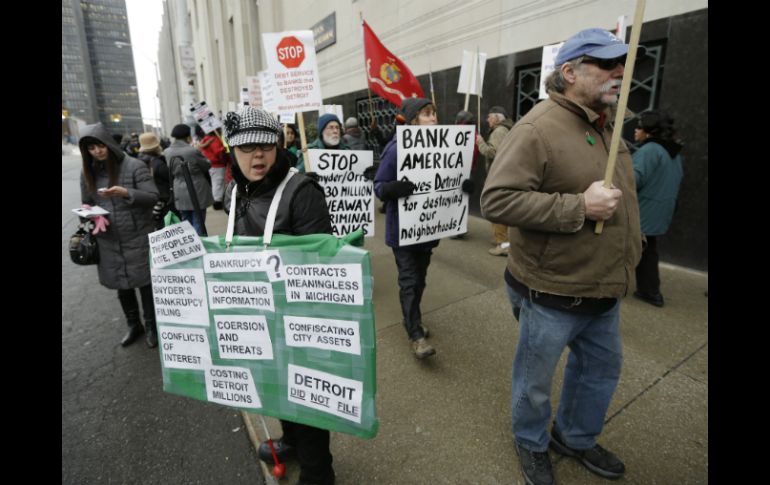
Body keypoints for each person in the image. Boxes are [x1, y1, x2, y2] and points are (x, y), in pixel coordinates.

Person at [480, 28, 642, 485]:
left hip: (603, 287)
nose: (618, 72)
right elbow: (497, 200)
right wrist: (578, 207)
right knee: (534, 383)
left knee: (598, 371)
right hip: (550, 291)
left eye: (622, 64)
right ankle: (530, 442)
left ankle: (574, 436)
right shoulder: (537, 128)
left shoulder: (608, 121)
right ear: (569, 72)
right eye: (606, 63)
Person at [222, 106, 335, 485]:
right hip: (256, 310)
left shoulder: (302, 191)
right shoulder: (234, 191)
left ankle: (320, 470)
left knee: (305, 392)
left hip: (298, 314)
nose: (257, 155)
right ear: (232, 151)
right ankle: (291, 441)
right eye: (247, 147)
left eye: (266, 146)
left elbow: (320, 267)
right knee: (272, 383)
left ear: (279, 144)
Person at [373, 97, 474, 359]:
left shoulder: (446, 147)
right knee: (409, 281)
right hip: (403, 232)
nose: (433, 118)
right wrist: (391, 189)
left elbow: (453, 180)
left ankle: (412, 318)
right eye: (427, 114)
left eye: (434, 113)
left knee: (420, 281)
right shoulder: (396, 149)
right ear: (413, 119)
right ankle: (415, 334)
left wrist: (463, 188)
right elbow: (379, 185)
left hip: (428, 231)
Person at [78, 123, 160, 348]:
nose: (97, 151)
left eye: (100, 146)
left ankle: (152, 326)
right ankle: (134, 325)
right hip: (108, 238)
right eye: (91, 149)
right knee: (121, 285)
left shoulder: (134, 166)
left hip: (137, 235)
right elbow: (87, 202)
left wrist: (127, 193)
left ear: (108, 143)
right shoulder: (88, 172)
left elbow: (153, 196)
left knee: (145, 284)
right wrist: (88, 215)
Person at [632, 110, 683, 307]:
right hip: (659, 211)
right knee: (648, 252)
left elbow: (633, 180)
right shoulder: (673, 151)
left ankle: (649, 292)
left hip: (643, 211)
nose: (635, 130)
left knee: (624, 249)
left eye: (639, 126)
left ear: (649, 131)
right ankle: (650, 292)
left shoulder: (650, 150)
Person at [476, 106, 514, 256]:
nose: (487, 119)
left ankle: (503, 244)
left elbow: (493, 152)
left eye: (490, 116)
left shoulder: (499, 131)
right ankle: (501, 238)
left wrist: (480, 142)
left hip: (498, 176)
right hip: (504, 175)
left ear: (497, 118)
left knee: (495, 208)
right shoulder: (506, 129)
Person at [163, 123, 213, 236]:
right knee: (198, 220)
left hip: (178, 187)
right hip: (196, 186)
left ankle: (189, 244)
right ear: (187, 136)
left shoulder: (167, 152)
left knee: (185, 220)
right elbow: (206, 165)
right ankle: (199, 245)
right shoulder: (192, 151)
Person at [137, 132, 173, 230]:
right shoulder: (158, 163)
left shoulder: (139, 161)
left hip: (150, 202)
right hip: (163, 201)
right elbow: (170, 179)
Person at [195, 125, 228, 210]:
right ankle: (217, 201)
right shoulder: (214, 139)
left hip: (211, 164)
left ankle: (217, 200)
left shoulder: (206, 139)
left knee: (216, 183)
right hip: (218, 164)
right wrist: (223, 150)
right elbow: (218, 152)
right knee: (218, 183)